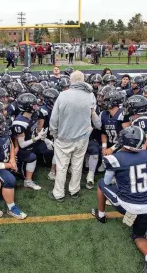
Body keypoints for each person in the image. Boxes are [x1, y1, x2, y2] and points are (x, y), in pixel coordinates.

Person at [92, 126, 147, 273]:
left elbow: (107, 181)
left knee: (101, 184)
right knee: (138, 236)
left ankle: (101, 214)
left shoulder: (114, 159)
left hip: (127, 205)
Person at [49, 71, 96, 201]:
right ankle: (74, 190)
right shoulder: (90, 95)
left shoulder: (63, 95)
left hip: (64, 137)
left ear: (71, 81)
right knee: (77, 165)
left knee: (62, 166)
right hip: (82, 138)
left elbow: (54, 119)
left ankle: (58, 193)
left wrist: (54, 134)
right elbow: (92, 115)